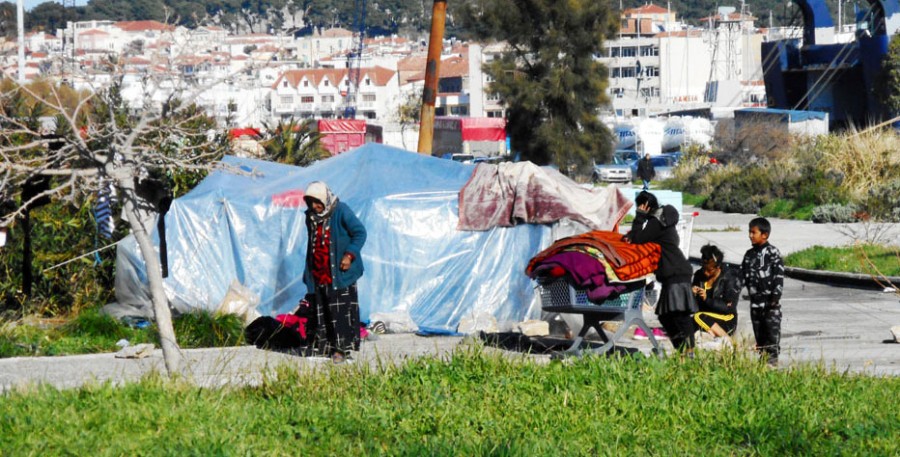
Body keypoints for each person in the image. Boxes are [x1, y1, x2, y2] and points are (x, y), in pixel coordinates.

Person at [625, 191, 697, 356]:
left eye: (640, 207)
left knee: (680, 314)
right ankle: (682, 349)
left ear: (645, 206)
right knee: (665, 315)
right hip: (675, 271)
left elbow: (637, 240)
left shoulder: (656, 223)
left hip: (675, 271)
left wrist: (639, 217)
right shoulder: (664, 221)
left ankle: (689, 351)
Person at [302, 181, 367, 363]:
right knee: (321, 311)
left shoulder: (341, 210)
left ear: (325, 199)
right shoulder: (310, 217)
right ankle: (323, 348)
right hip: (319, 273)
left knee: (341, 313)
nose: (314, 207)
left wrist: (349, 255)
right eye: (310, 202)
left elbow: (360, 232)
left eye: (317, 202)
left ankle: (341, 351)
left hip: (340, 274)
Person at [741, 217, 784, 366]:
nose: (750, 235)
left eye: (754, 232)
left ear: (764, 235)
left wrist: (775, 296)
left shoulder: (773, 252)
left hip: (770, 305)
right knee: (759, 336)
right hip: (755, 305)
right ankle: (763, 362)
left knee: (771, 336)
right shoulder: (749, 255)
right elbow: (742, 276)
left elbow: (779, 275)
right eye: (749, 232)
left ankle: (772, 363)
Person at [692, 244, 741, 346]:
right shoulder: (698, 276)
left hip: (726, 319)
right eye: (704, 268)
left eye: (709, 270)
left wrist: (707, 299)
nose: (705, 273)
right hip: (707, 316)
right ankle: (711, 334)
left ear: (718, 267)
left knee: (698, 316)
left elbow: (729, 307)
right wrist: (691, 293)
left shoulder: (729, 278)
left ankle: (729, 341)